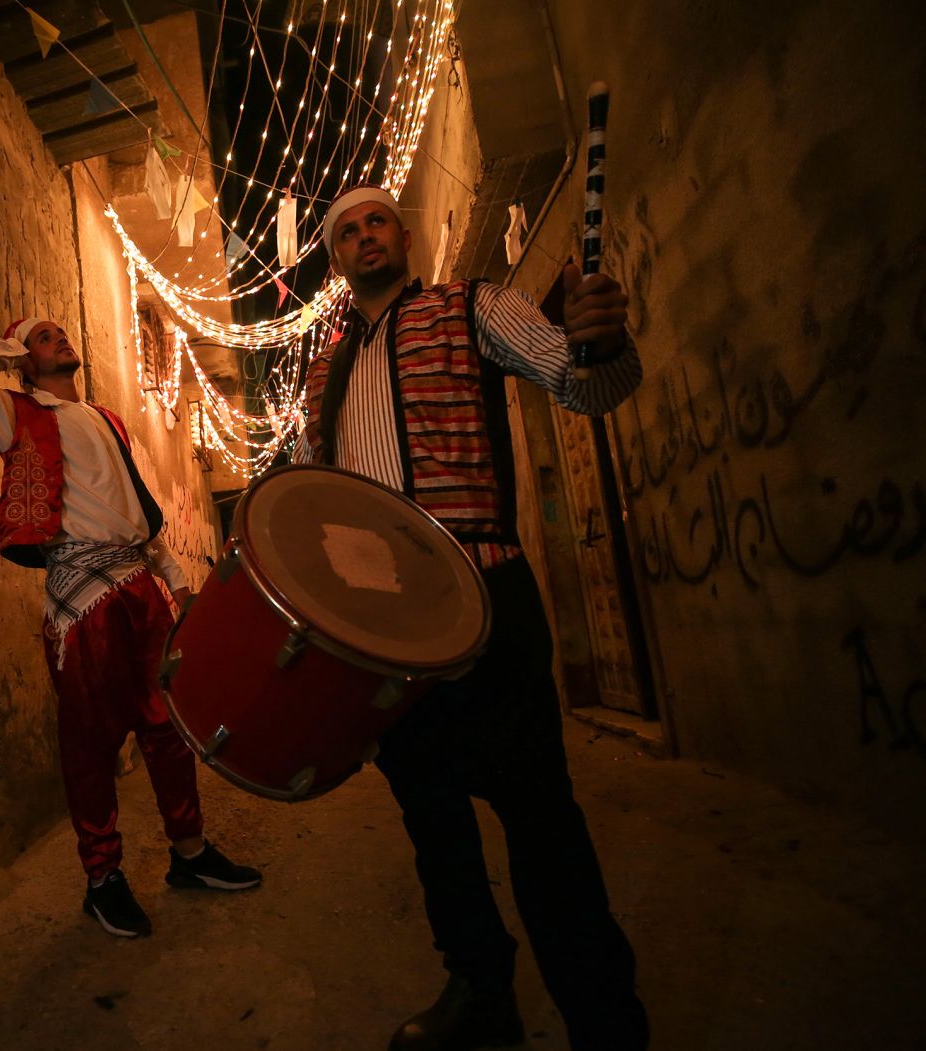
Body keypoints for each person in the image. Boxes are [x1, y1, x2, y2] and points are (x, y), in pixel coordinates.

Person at [292, 185, 649, 1051]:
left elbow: (583, 382)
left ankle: (604, 1020)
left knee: (538, 815)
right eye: (347, 231)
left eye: (376, 220)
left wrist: (601, 339)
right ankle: (481, 989)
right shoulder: (324, 367)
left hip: (486, 598)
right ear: (335, 258)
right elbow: (314, 493)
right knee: (432, 815)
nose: (364, 235)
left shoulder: (473, 305)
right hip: (382, 634)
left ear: (402, 236)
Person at [0, 316, 262, 939]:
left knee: (168, 729)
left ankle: (190, 855)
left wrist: (177, 579)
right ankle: (102, 879)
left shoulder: (108, 419)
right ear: (24, 361)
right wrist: (13, 347)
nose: (59, 338)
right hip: (80, 597)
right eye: (44, 338)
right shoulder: (15, 412)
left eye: (60, 332)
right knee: (90, 744)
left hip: (141, 586)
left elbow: (137, 511)